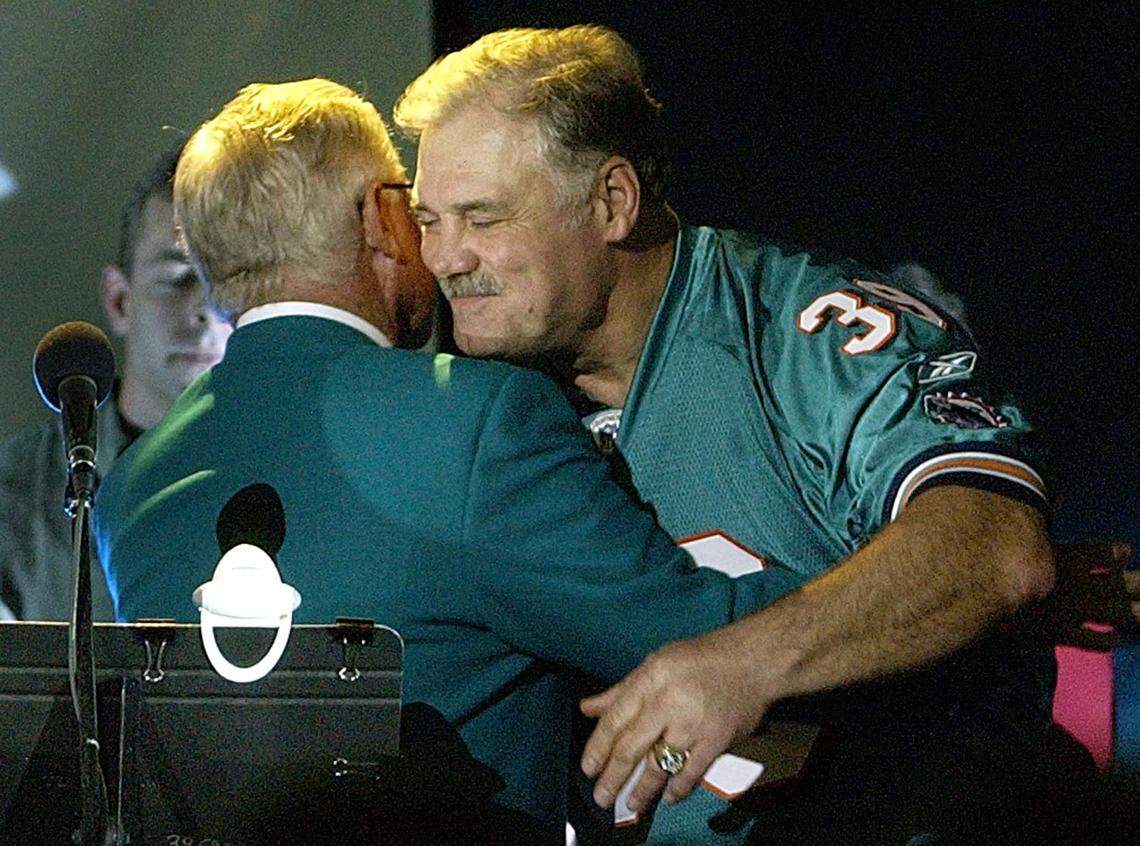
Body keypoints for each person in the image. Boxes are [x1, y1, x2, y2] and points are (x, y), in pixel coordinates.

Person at [394, 25, 1120, 844]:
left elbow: (993, 543)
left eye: (481, 219)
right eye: (428, 220)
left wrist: (744, 660)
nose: (445, 258)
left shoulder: (803, 333)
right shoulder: (480, 395)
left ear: (610, 202)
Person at [93, 78, 800, 843]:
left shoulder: (129, 492)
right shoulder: (475, 420)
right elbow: (704, 639)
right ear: (382, 218)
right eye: (417, 208)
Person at [0, 148, 231, 621]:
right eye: (177, 277)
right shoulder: (17, 489)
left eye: (225, 279)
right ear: (119, 300)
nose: (205, 309)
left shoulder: (282, 470)